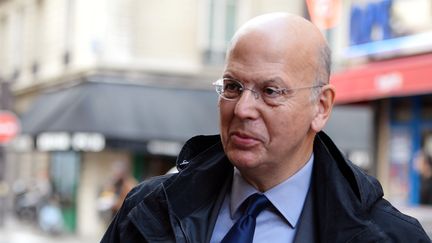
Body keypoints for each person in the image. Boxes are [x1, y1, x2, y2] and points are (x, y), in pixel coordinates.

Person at [101, 13, 430, 242]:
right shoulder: (148, 211)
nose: (243, 109)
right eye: (232, 86)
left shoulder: (391, 236)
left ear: (321, 106)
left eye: (271, 91)